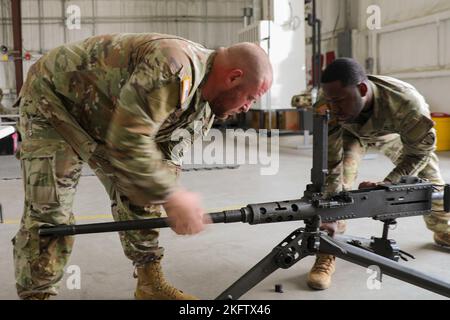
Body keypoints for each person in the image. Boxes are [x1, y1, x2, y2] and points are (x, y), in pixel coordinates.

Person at [12, 33, 273, 300]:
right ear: (233, 77)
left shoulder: (204, 106)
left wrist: (162, 191)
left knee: (145, 191)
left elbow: (162, 158)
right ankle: (37, 294)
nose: (247, 107)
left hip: (108, 118)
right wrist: (172, 196)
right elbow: (128, 139)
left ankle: (149, 283)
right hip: (55, 101)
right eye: (250, 98)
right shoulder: (174, 65)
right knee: (50, 208)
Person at [307, 58, 448, 290]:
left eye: (340, 101)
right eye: (330, 102)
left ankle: (443, 231)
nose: (334, 108)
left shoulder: (406, 104)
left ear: (362, 89)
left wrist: (389, 183)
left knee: (432, 185)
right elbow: (330, 162)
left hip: (391, 135)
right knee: (336, 187)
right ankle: (327, 249)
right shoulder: (329, 106)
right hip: (350, 134)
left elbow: (418, 153)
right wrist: (330, 208)